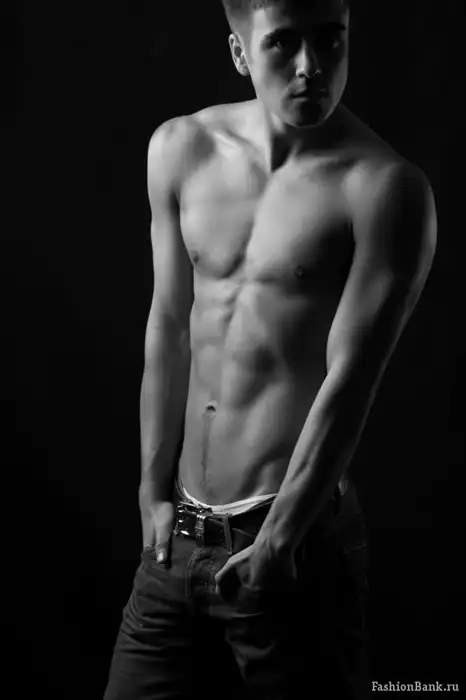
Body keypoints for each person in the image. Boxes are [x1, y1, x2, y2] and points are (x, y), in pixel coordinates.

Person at [103, 0, 437, 698]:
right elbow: (169, 326)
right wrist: (150, 491)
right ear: (240, 52)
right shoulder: (180, 149)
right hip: (177, 537)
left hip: (291, 549)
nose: (312, 66)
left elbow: (352, 379)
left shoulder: (384, 190)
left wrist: (281, 539)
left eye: (331, 40)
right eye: (284, 43)